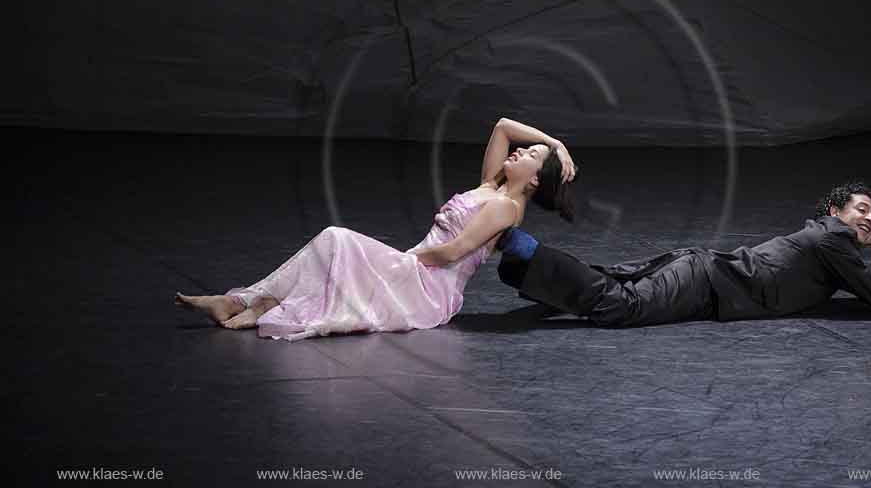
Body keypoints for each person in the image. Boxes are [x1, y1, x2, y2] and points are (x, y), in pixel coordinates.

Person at [175, 118, 576, 340]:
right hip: (416, 269)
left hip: (428, 287)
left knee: (338, 240)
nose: (520, 149)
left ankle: (248, 304)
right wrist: (553, 140)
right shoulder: (489, 186)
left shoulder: (505, 207)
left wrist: (393, 262)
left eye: (531, 154)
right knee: (336, 247)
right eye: (526, 147)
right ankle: (248, 304)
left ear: (536, 180)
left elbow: (451, 253)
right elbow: (503, 126)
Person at [495, 181, 871, 327]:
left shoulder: (833, 241)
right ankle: (521, 248)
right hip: (706, 280)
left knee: (612, 283)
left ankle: (519, 262)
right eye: (862, 210)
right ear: (834, 211)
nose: (868, 219)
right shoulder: (832, 240)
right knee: (622, 307)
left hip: (705, 276)